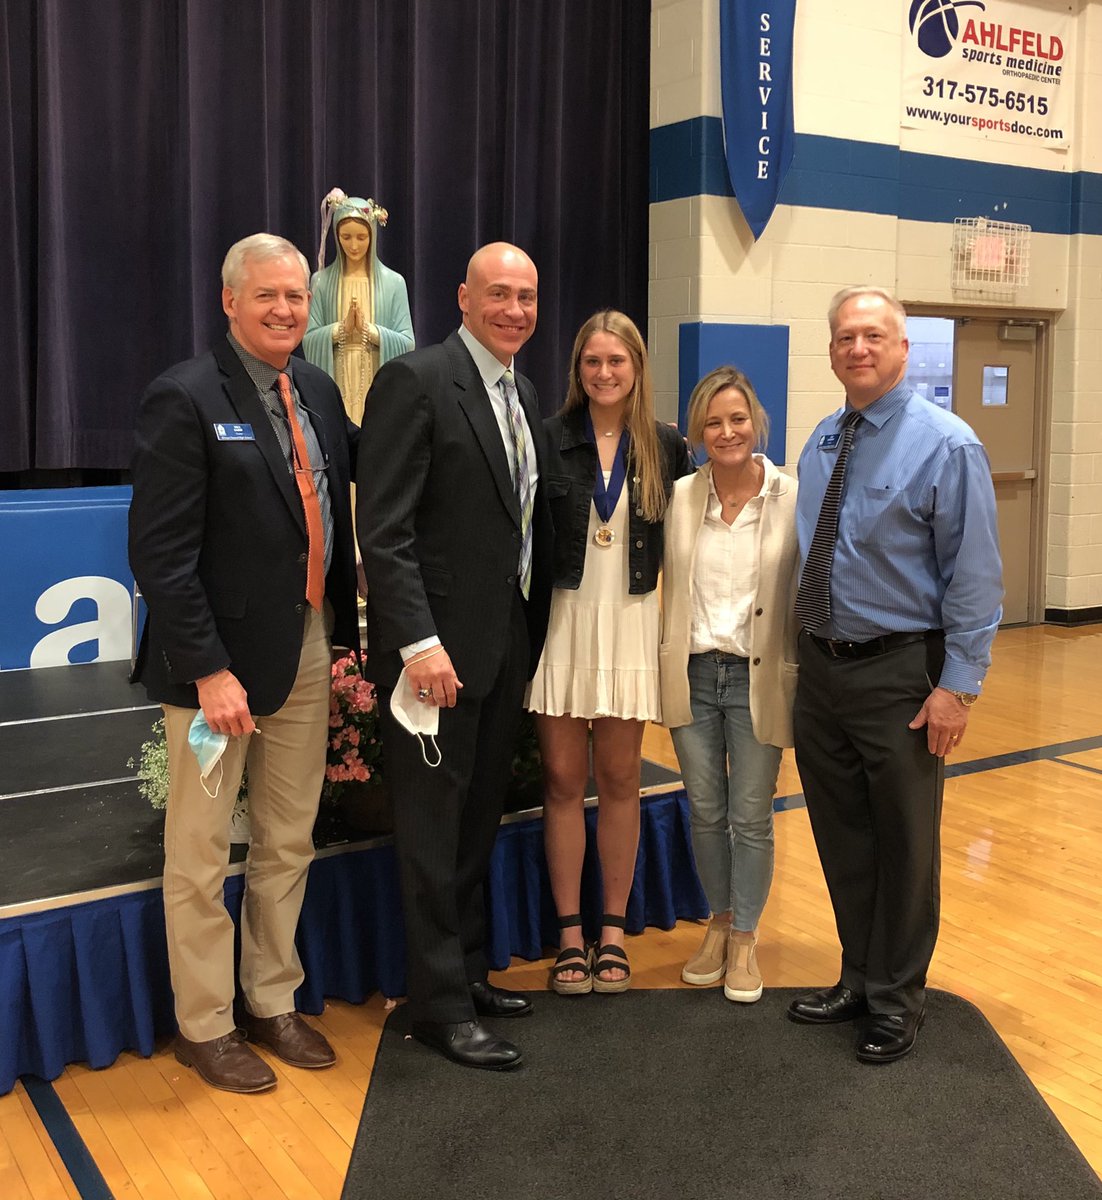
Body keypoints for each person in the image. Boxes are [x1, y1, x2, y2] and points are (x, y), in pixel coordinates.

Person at [129, 234, 359, 1093]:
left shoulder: (320, 392)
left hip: (305, 644)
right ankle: (205, 1024)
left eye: (296, 297)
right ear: (229, 301)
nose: (285, 311)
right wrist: (207, 670)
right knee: (197, 853)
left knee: (288, 837)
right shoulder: (184, 396)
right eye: (267, 296)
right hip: (215, 671)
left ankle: (271, 999)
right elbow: (160, 554)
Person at [788, 286, 1002, 1063]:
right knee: (843, 837)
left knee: (906, 844)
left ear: (903, 349)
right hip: (823, 670)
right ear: (831, 350)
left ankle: (896, 998)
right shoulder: (822, 441)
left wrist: (957, 687)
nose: (858, 348)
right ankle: (857, 974)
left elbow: (975, 577)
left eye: (874, 336)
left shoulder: (947, 446)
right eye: (845, 336)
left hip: (901, 676)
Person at [356, 242, 553, 1070]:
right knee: (433, 832)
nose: (515, 309)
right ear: (463, 297)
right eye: (498, 293)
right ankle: (436, 1007)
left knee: (476, 823)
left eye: (527, 297)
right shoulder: (417, 380)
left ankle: (467, 973)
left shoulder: (523, 392)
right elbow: (385, 529)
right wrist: (419, 643)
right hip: (434, 658)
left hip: (502, 646)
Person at [526, 310, 690, 996]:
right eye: (592, 361)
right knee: (564, 781)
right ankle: (571, 934)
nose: (604, 373)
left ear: (637, 367)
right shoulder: (547, 437)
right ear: (577, 369)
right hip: (562, 624)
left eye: (616, 361)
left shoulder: (666, 445)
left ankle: (614, 931)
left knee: (622, 779)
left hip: (630, 625)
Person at [659, 366, 799, 1004]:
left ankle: (745, 938)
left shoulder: (790, 496)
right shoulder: (680, 497)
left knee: (751, 816)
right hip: (693, 672)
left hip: (756, 676)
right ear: (697, 431)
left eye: (737, 419)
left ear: (756, 421)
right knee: (706, 811)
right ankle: (716, 923)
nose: (727, 432)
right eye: (713, 422)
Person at [302, 189, 414, 425]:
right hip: (337, 373)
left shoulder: (394, 282)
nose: (353, 245)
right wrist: (341, 329)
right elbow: (308, 338)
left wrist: (369, 330)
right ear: (336, 237)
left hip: (374, 372)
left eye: (361, 237)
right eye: (346, 237)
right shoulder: (321, 281)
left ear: (372, 235)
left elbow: (407, 342)